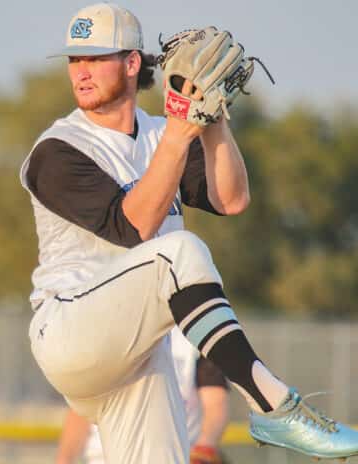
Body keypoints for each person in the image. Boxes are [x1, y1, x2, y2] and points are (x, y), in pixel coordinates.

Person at [20, 3, 358, 463]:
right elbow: (134, 227)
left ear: (132, 62)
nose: (81, 70)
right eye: (75, 60)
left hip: (138, 353)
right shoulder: (58, 150)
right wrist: (182, 132)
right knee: (175, 251)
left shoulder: (161, 134)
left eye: (96, 57)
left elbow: (231, 199)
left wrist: (212, 117)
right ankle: (272, 403)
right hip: (70, 332)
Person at [55, 328, 229, 464]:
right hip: (105, 457)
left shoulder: (192, 339)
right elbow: (81, 410)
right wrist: (64, 458)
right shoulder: (108, 333)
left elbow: (215, 405)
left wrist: (203, 447)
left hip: (173, 456)